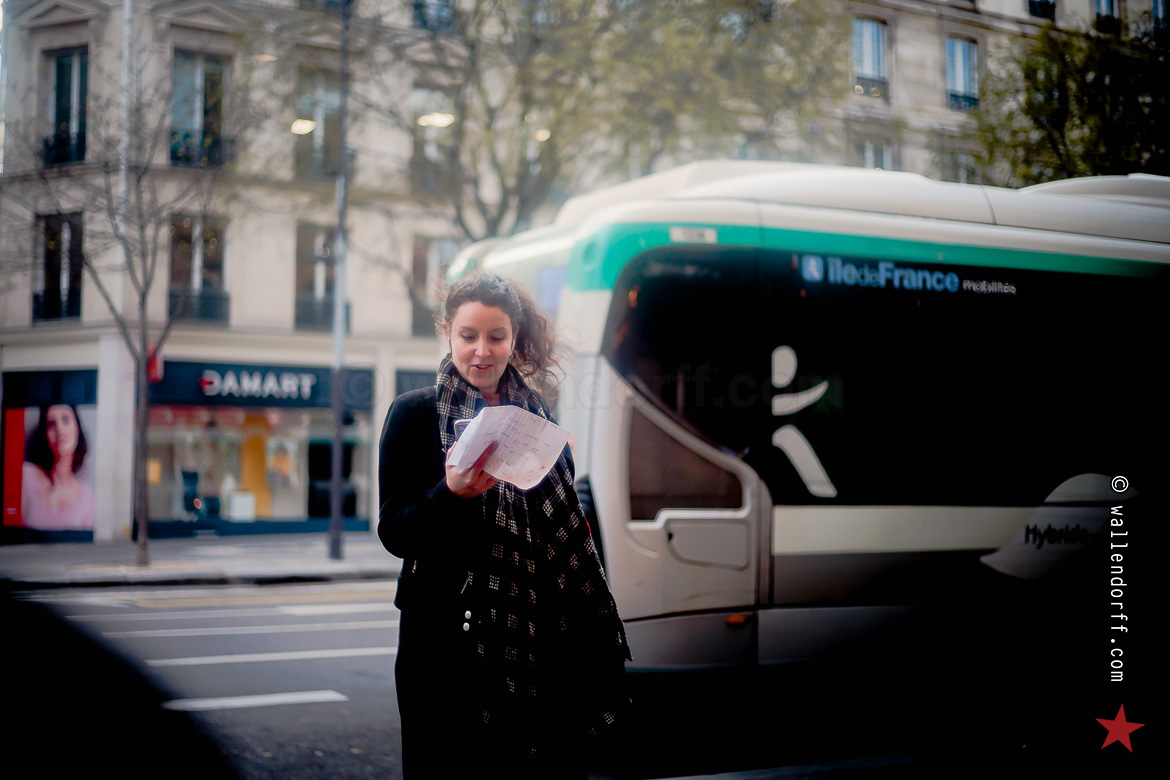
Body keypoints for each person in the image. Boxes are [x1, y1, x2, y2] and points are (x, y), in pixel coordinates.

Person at [378, 272, 631, 779]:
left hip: (538, 637)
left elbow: (561, 525)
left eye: (496, 336)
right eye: (468, 335)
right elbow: (395, 532)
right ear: (447, 333)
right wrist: (450, 494)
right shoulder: (415, 415)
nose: (482, 351)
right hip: (444, 647)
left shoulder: (538, 417)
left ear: (514, 337)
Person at [21, 403, 96, 530]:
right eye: (51, 424)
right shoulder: (26, 476)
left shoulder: (89, 499)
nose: (59, 429)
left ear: (77, 428)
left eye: (65, 420)